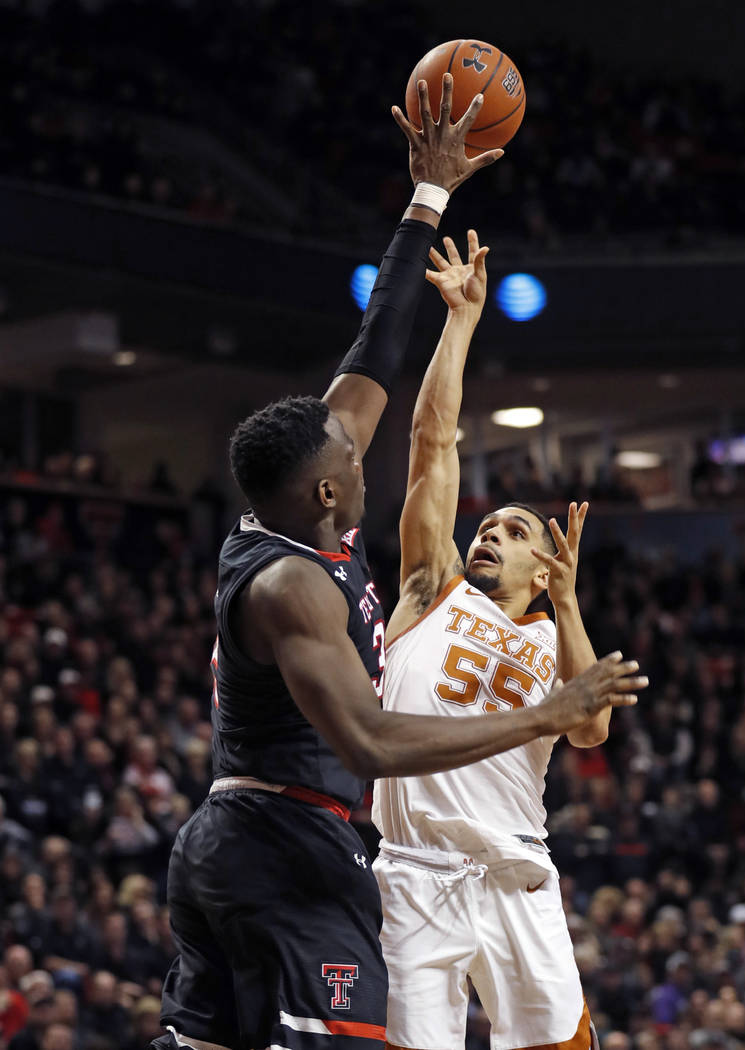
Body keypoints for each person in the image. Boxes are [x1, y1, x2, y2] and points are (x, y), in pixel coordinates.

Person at [155, 79, 646, 1050]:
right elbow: (375, 739)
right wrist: (545, 711)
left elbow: (376, 345)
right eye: (350, 463)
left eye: (518, 529)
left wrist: (429, 202)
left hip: (443, 853)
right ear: (327, 492)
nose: (360, 459)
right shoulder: (334, 584)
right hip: (327, 847)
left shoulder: (311, 500)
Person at [373, 231, 646, 1050]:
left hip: (518, 870)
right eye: (484, 525)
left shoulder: (556, 640)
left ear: (546, 559)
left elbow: (591, 729)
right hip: (415, 873)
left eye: (512, 530)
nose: (487, 532)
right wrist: (458, 322)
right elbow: (431, 448)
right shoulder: (432, 588)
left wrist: (566, 606)